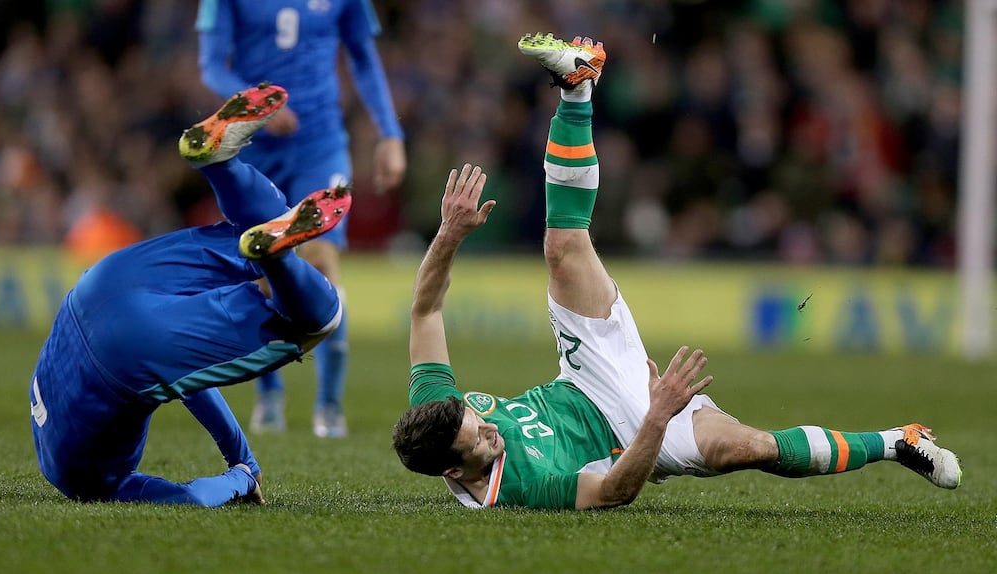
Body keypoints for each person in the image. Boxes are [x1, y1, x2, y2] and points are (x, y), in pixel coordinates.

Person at [391, 33, 962, 511]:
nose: (490, 429)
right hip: (635, 434)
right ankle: (899, 441)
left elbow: (425, 310)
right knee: (752, 449)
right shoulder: (513, 490)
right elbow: (612, 493)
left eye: (477, 418)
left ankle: (577, 87)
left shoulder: (437, 408)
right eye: (482, 441)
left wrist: (448, 234)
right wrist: (658, 416)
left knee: (563, 246)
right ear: (451, 468)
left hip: (587, 372)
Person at [29, 84, 351, 506]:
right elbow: (183, 381)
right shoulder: (47, 437)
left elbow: (192, 499)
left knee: (320, 319)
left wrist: (242, 477)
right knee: (250, 230)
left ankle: (278, 261)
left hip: (124, 354)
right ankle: (221, 166)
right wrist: (241, 455)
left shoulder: (91, 485)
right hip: (94, 288)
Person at [195, 0, 407, 437]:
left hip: (321, 142)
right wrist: (254, 106)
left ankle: (328, 406)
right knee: (262, 269)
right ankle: (269, 394)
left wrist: (390, 133)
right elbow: (212, 65)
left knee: (322, 259)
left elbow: (364, 59)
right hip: (255, 145)